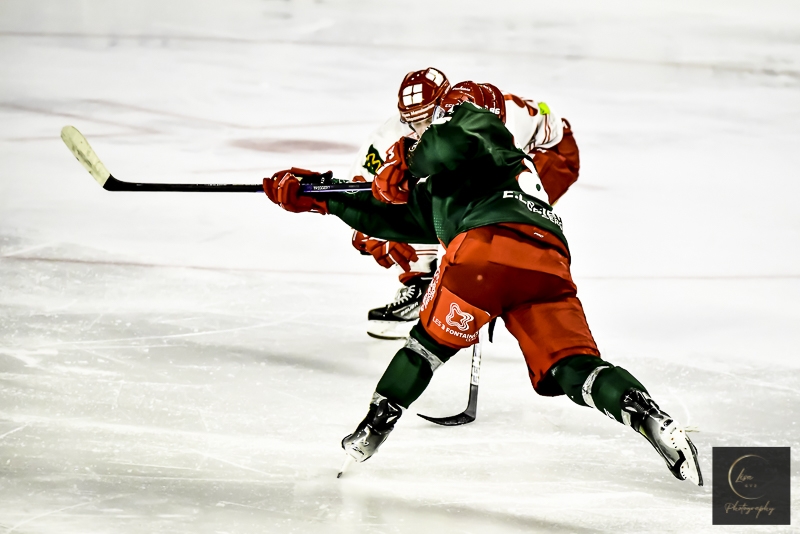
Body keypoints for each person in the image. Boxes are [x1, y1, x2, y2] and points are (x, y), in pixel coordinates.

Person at [261, 83, 703, 486]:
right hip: (547, 266)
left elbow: (450, 138)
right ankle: (645, 413)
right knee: (572, 365)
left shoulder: (470, 118)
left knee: (426, 348)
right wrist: (321, 197)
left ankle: (371, 429)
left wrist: (407, 157)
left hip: (485, 250)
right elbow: (398, 218)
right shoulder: (475, 173)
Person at [346, 67, 580, 340]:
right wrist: (371, 224)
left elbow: (548, 137)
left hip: (550, 156)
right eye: (413, 122)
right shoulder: (387, 138)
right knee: (411, 205)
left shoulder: (494, 113)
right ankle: (421, 284)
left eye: (426, 119)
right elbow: (363, 187)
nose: (420, 130)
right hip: (484, 163)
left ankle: (513, 289)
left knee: (484, 218)